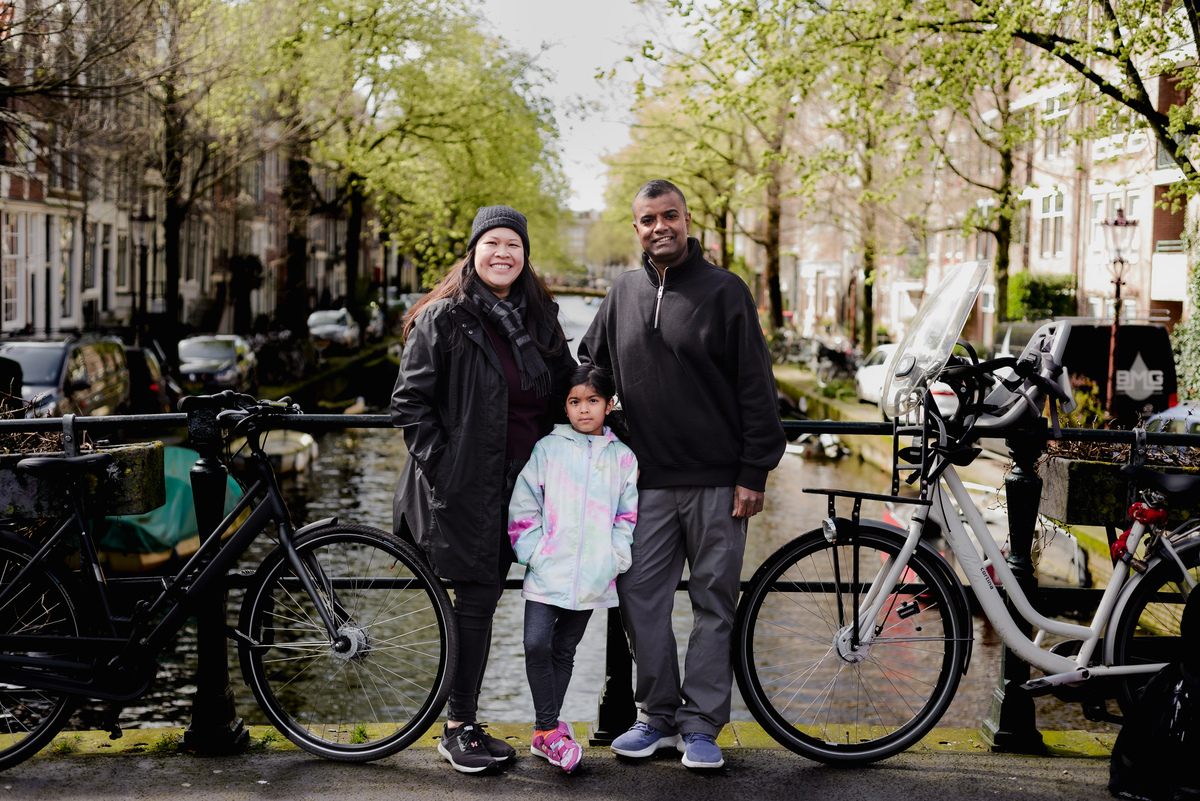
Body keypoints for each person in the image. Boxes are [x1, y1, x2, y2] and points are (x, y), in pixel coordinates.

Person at [578, 179, 786, 770]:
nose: (659, 226)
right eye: (648, 219)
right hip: (643, 482)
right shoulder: (621, 294)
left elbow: (756, 387)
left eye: (670, 216)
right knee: (640, 598)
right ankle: (656, 717)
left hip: (721, 482)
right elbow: (591, 366)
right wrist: (590, 422)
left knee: (714, 604)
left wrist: (754, 471)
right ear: (636, 227)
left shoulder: (726, 292)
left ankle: (701, 727)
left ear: (687, 221)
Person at [391, 205, 576, 774]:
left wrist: (612, 405)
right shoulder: (443, 318)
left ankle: (543, 724)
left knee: (557, 593)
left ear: (525, 255)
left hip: (527, 489)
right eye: (492, 243)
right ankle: (458, 727)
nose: (503, 253)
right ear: (473, 252)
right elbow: (410, 404)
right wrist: (447, 471)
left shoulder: (540, 318)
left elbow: (568, 386)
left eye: (513, 245)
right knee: (476, 601)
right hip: (467, 488)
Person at [508, 364, 639, 774]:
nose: (584, 410)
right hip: (548, 571)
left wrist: (614, 559)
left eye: (593, 401)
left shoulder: (623, 458)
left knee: (565, 650)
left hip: (593, 577)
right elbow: (524, 504)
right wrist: (535, 552)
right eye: (575, 402)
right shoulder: (548, 449)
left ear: (608, 404)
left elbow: (626, 518)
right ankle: (549, 729)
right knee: (535, 644)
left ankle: (544, 732)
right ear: (564, 407)